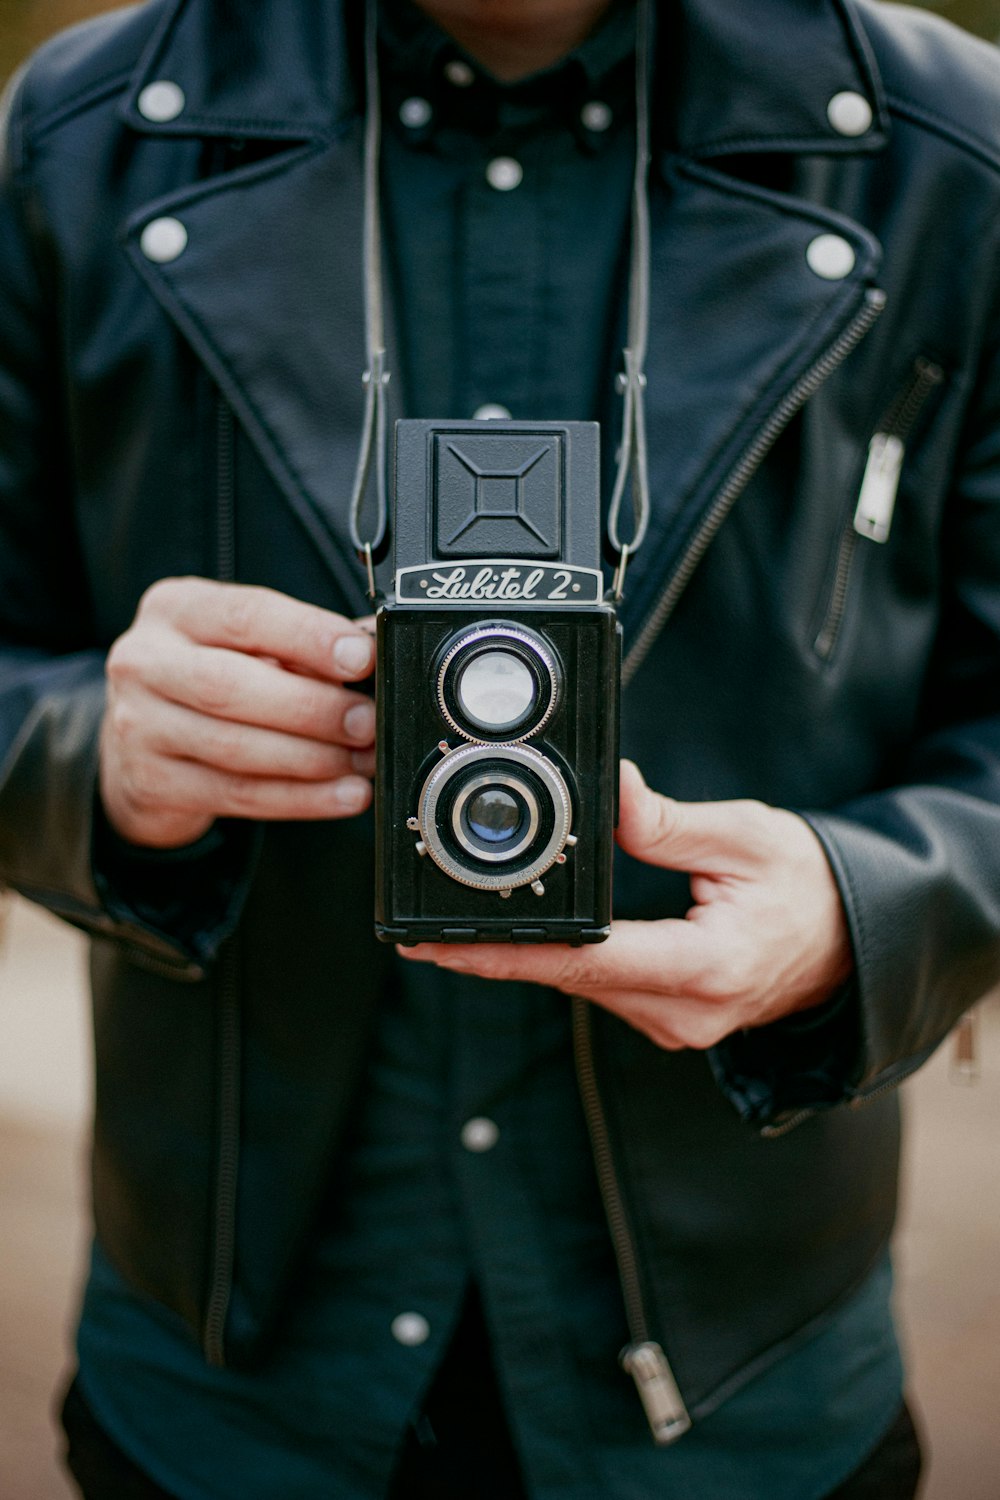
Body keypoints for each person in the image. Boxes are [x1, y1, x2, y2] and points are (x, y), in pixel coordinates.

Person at [1, 0, 999, 1495]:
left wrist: (860, 913)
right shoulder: (81, 130)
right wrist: (100, 754)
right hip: (232, 1385)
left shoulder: (953, 155)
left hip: (742, 1396)